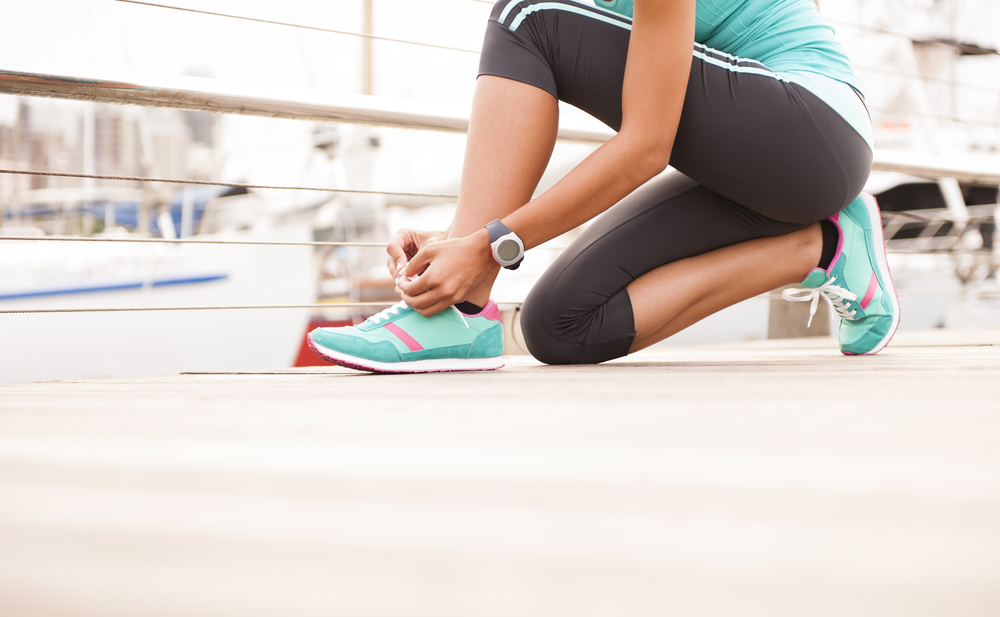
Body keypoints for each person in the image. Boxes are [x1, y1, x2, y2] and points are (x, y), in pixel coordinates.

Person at [308, 0, 900, 373]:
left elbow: (646, 146)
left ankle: (459, 309)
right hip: (767, 165)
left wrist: (484, 245)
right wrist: (461, 240)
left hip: (810, 124)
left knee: (524, 17)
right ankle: (826, 246)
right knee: (560, 328)